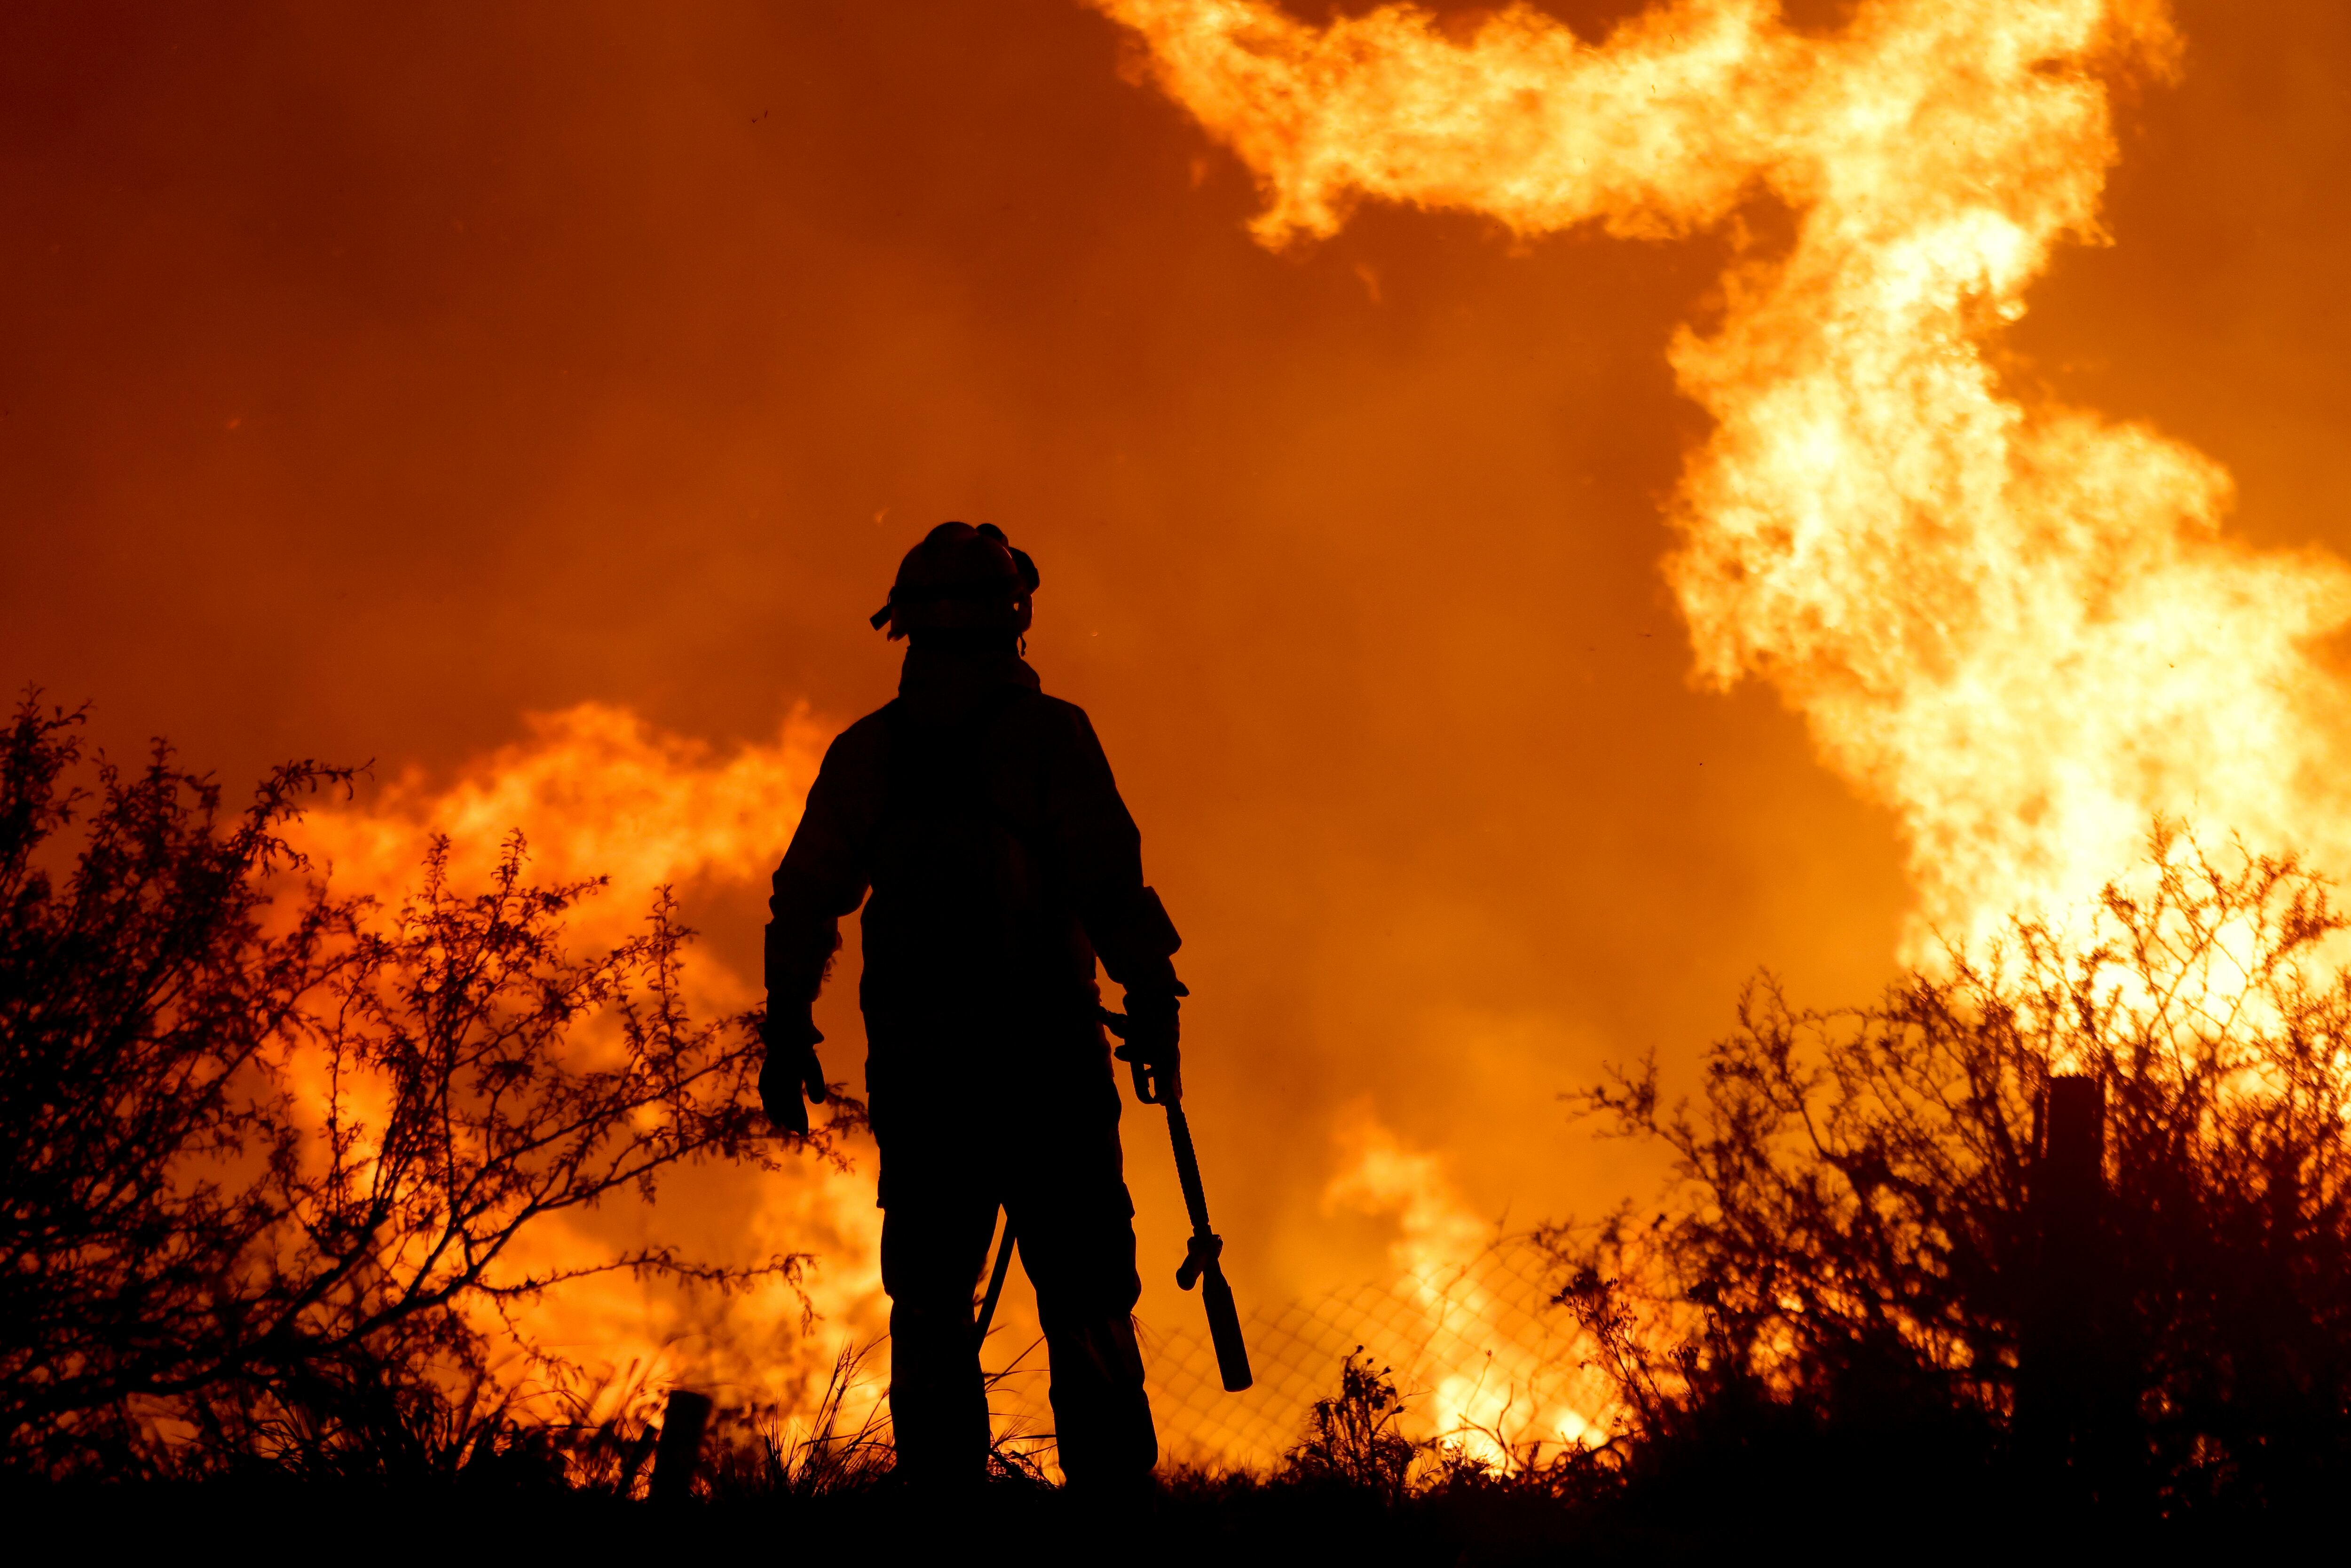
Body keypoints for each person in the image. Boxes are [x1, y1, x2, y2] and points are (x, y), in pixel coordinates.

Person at [760, 521, 1185, 1491]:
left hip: (925, 1079)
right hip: (1049, 1070)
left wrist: (788, 1032)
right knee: (1086, 1298)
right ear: (1015, 617)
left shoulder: (868, 754)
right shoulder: (1050, 737)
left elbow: (803, 901)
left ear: (904, 625)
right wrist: (1153, 1002)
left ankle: (944, 1532)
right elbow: (1111, 888)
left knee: (931, 1309)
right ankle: (1115, 1525)